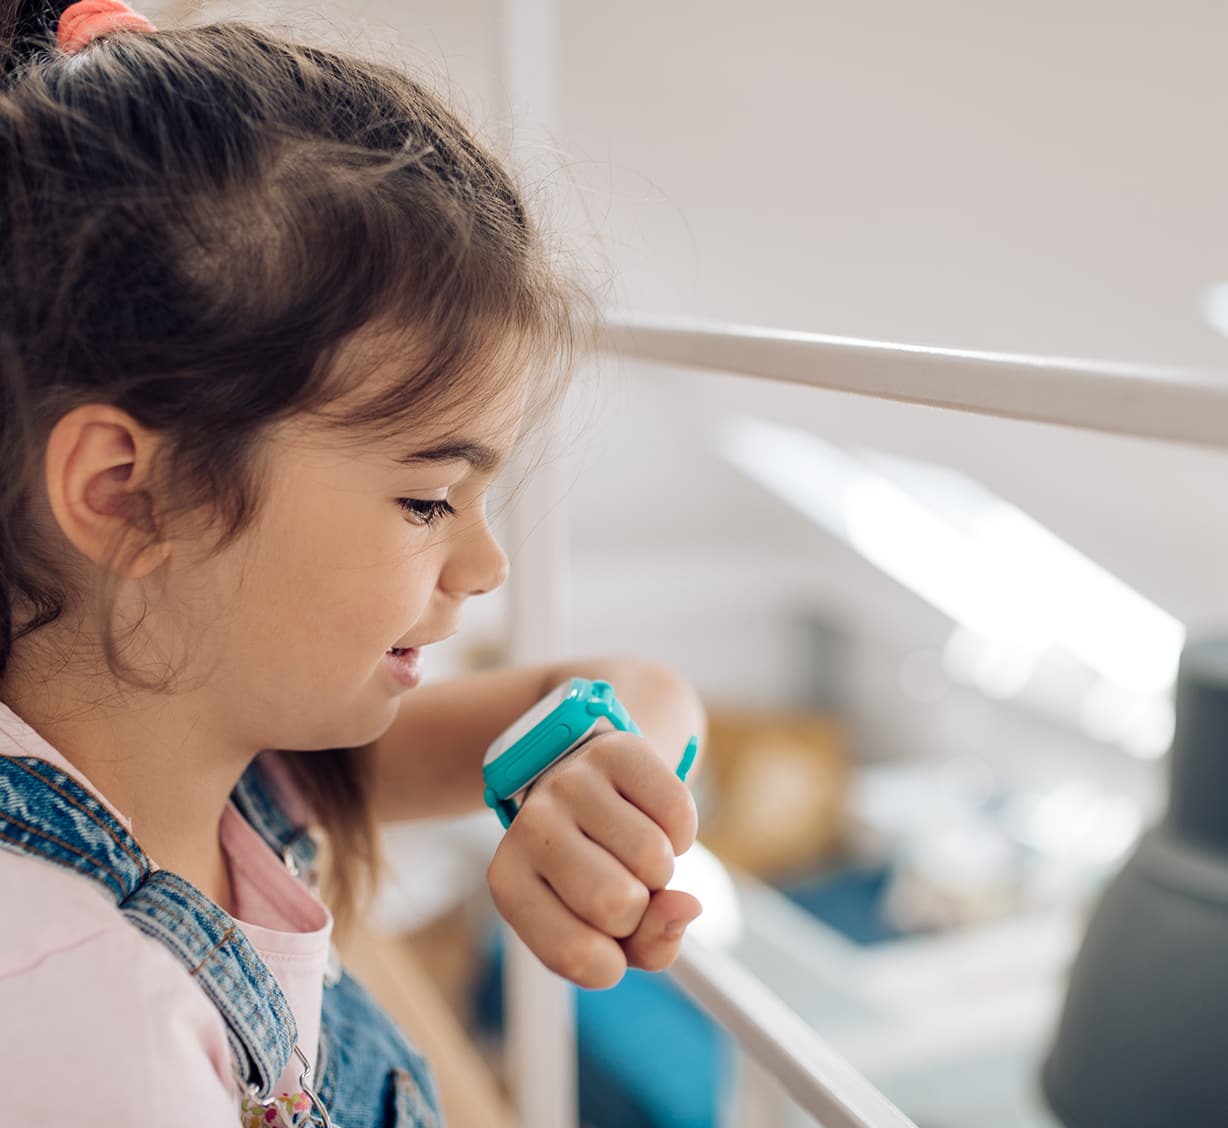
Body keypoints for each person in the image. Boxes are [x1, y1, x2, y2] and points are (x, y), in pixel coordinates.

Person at [0, 1, 706, 1122]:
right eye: (428, 500)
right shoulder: (89, 1019)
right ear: (126, 495)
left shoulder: (215, 745)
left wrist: (594, 776)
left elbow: (643, 689)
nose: (485, 566)